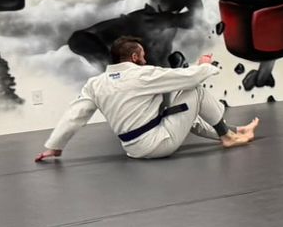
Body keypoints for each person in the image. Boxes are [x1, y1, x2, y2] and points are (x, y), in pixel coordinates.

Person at [35, 35, 256, 162]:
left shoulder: (95, 83)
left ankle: (233, 131)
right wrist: (204, 66)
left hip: (133, 149)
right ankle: (227, 136)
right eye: (142, 55)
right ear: (134, 57)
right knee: (194, 90)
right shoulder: (142, 75)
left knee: (177, 108)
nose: (145, 58)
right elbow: (187, 78)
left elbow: (75, 115)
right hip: (156, 144)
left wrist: (55, 146)